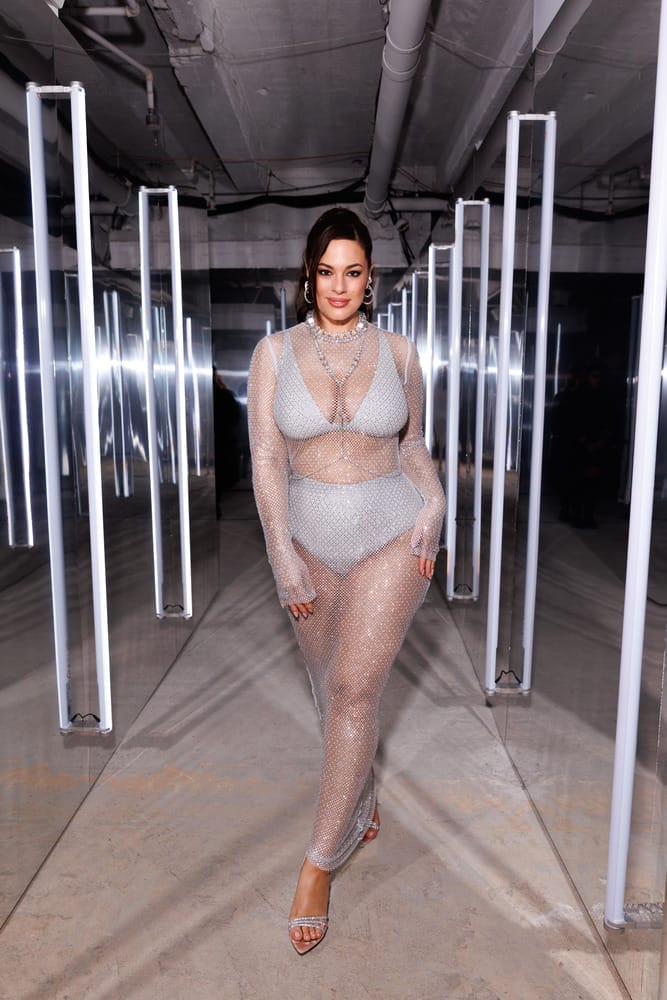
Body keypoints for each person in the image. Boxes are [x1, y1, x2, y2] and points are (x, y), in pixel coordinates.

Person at [247, 207, 446, 954]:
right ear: (310, 276)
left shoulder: (399, 352)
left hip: (392, 536)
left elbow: (413, 444)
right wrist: (281, 553)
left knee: (355, 689)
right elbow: (267, 460)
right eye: (326, 271)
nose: (339, 285)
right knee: (327, 688)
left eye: (353, 272)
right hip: (306, 542)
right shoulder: (273, 353)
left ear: (371, 278)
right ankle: (359, 797)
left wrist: (436, 501)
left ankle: (318, 864)